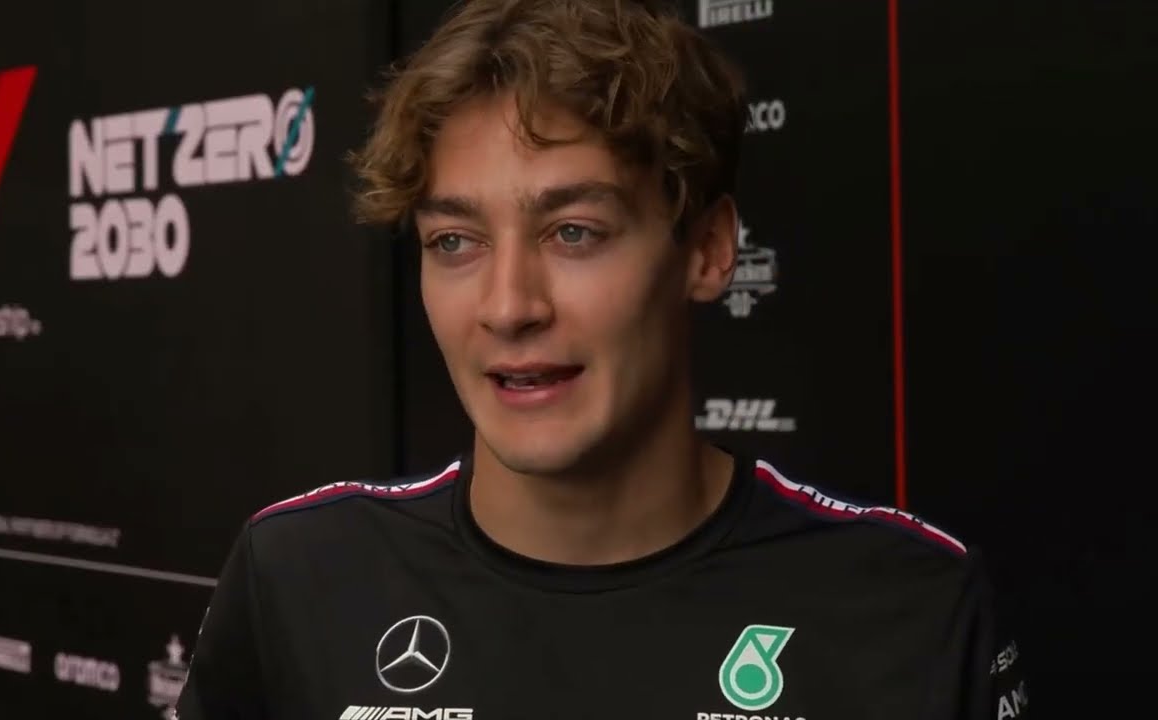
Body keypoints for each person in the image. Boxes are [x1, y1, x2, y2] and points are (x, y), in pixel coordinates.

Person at [175, 1, 1030, 718]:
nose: (509, 306)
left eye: (574, 232)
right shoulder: (296, 576)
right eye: (455, 241)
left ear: (708, 250)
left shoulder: (911, 607)